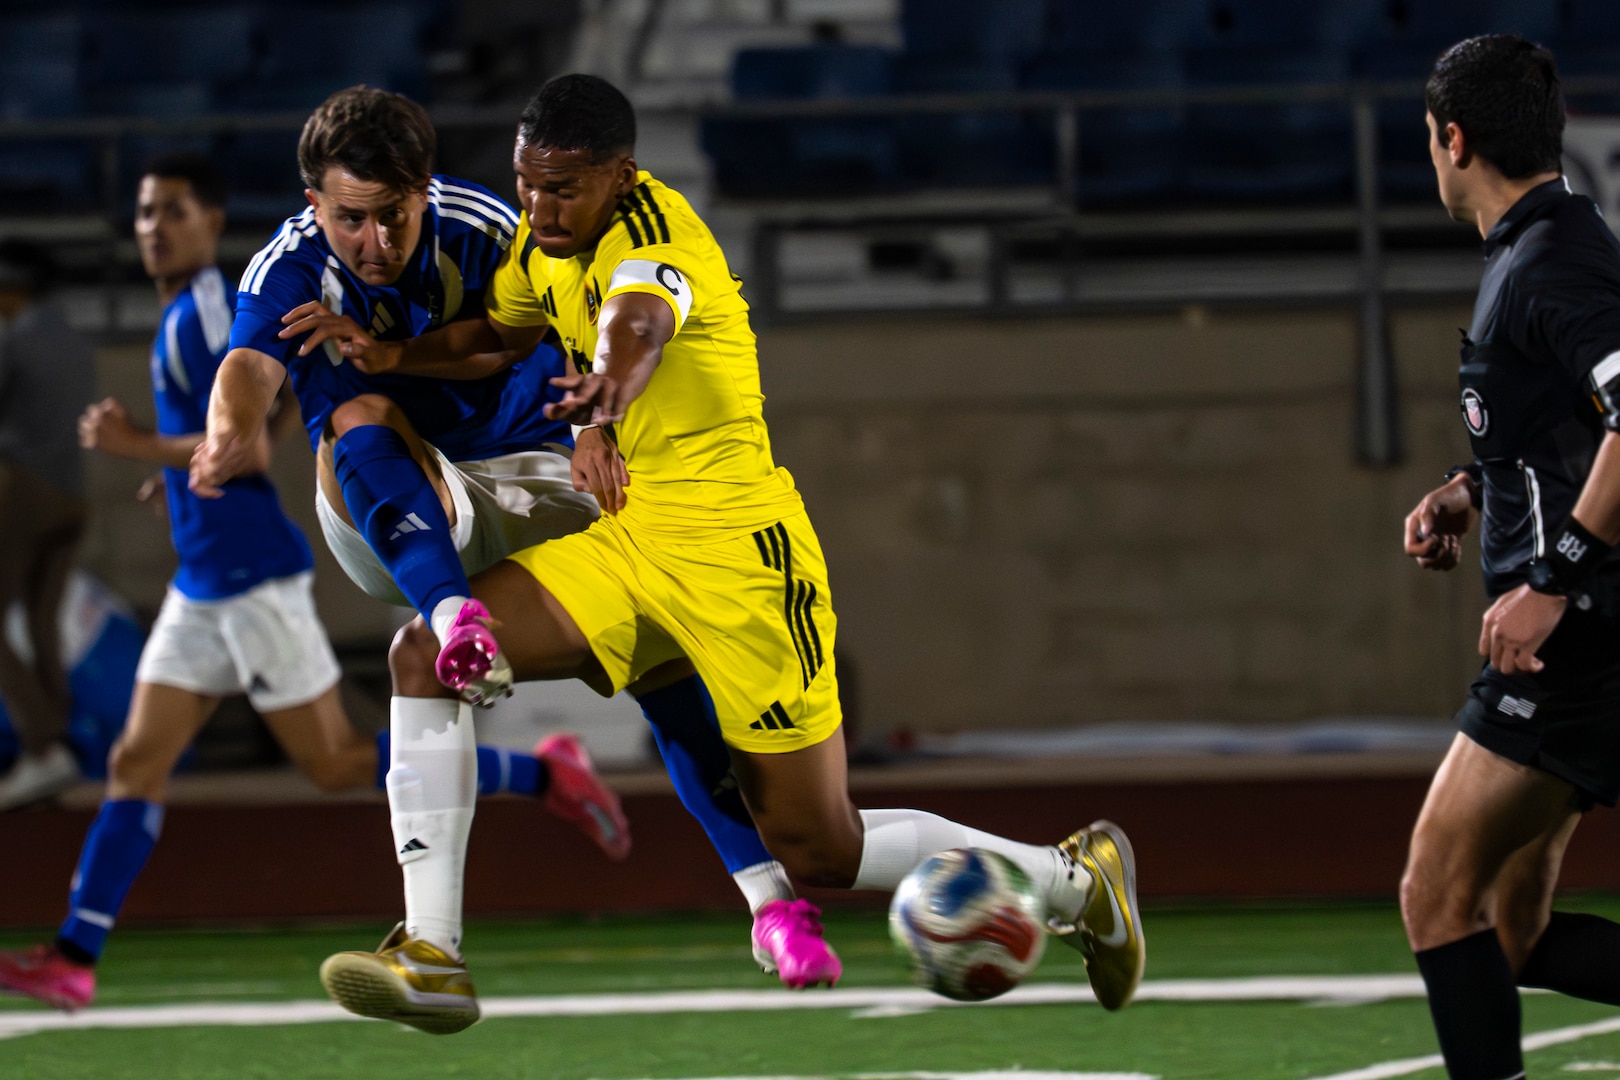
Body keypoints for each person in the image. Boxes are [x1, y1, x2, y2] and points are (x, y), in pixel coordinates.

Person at [308, 74, 1144, 1034]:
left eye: (563, 190)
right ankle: (433, 956)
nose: (537, 210)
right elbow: (496, 332)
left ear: (622, 176)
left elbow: (639, 326)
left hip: (744, 559)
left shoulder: (658, 245)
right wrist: (387, 359)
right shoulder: (545, 241)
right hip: (630, 539)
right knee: (429, 655)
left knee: (818, 848)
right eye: (525, 186)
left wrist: (607, 399)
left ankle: (1077, 881)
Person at [187, 88, 836, 1016]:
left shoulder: (492, 227)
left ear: (427, 190)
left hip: (530, 463)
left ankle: (771, 899)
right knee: (360, 418)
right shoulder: (289, 266)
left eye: (394, 215)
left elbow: (547, 332)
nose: (375, 243)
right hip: (401, 501)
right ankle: (455, 620)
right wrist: (228, 435)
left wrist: (599, 425)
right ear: (313, 203)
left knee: (655, 645)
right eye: (350, 219)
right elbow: (246, 368)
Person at [0, 154, 628, 1013]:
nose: (154, 228)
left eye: (173, 212)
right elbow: (224, 437)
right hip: (202, 578)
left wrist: (138, 449)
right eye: (144, 213)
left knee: (333, 764)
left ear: (213, 222)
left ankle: (543, 773)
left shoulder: (213, 310)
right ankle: (75, 955)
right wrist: (178, 469)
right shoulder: (184, 311)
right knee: (135, 760)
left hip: (253, 573)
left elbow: (253, 445)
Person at [1400, 35, 1620, 1080]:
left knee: (1435, 895)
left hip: (1572, 643)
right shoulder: (1536, 248)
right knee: (1516, 932)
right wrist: (1469, 488)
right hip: (1584, 632)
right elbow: (1562, 431)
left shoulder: (1552, 260)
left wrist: (1553, 578)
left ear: (1453, 140)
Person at [0, 240, 95, 810]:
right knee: (40, 623)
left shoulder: (17, 341)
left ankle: (42, 750)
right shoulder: (75, 342)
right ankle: (59, 745)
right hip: (74, 496)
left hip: (26, 491)